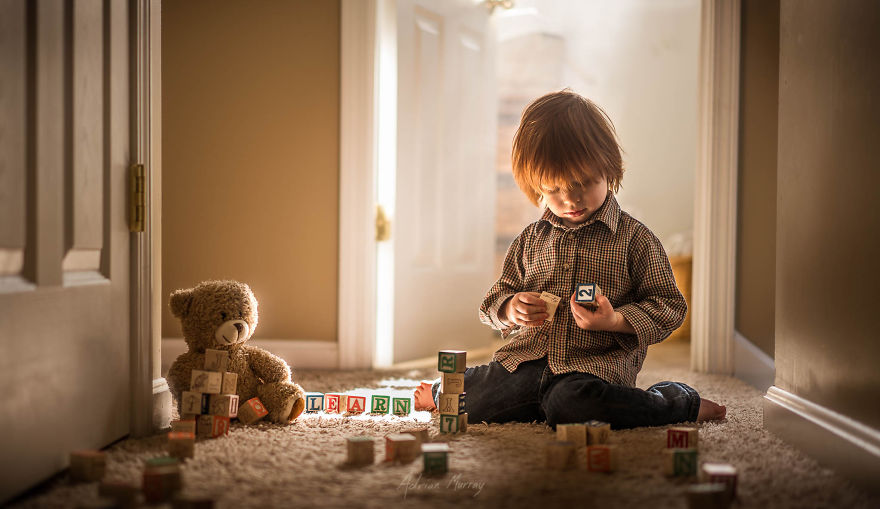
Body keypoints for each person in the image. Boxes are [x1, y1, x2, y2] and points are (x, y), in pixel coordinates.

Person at [413, 90, 725, 428]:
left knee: (573, 407)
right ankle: (450, 389)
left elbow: (670, 307)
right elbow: (492, 301)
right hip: (526, 363)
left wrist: (615, 320)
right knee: (473, 396)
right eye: (553, 189)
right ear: (537, 187)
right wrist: (509, 308)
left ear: (609, 168)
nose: (570, 198)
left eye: (583, 183)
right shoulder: (530, 240)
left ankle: (679, 402)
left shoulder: (636, 239)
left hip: (589, 371)